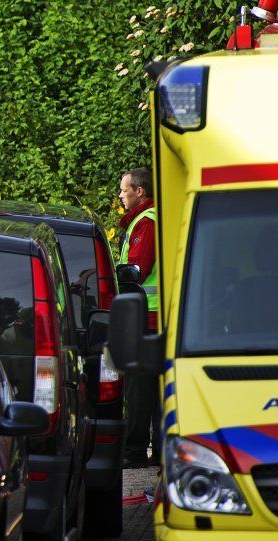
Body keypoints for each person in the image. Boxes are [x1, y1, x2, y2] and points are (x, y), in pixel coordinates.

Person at [118, 167, 160, 468]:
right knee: (149, 390)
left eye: (124, 189)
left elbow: (136, 270)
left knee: (139, 390)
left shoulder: (146, 222)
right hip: (148, 314)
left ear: (139, 191)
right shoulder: (144, 220)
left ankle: (134, 451)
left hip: (146, 316)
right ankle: (156, 450)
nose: (120, 195)